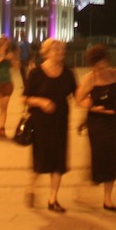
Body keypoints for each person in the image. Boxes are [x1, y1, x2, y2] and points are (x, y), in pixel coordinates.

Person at [76, 44, 116, 212]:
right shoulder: (90, 78)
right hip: (97, 124)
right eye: (95, 66)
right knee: (99, 158)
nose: (99, 69)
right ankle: (86, 186)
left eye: (101, 64)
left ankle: (108, 198)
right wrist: (92, 107)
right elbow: (78, 99)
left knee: (114, 158)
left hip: (115, 122)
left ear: (106, 61)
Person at [23, 38, 77, 213]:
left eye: (62, 50)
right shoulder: (36, 73)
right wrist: (40, 101)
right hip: (40, 123)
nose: (60, 53)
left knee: (59, 161)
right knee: (40, 160)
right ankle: (31, 187)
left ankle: (53, 199)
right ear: (46, 52)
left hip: (60, 122)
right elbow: (25, 98)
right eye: (56, 50)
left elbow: (78, 95)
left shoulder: (68, 73)